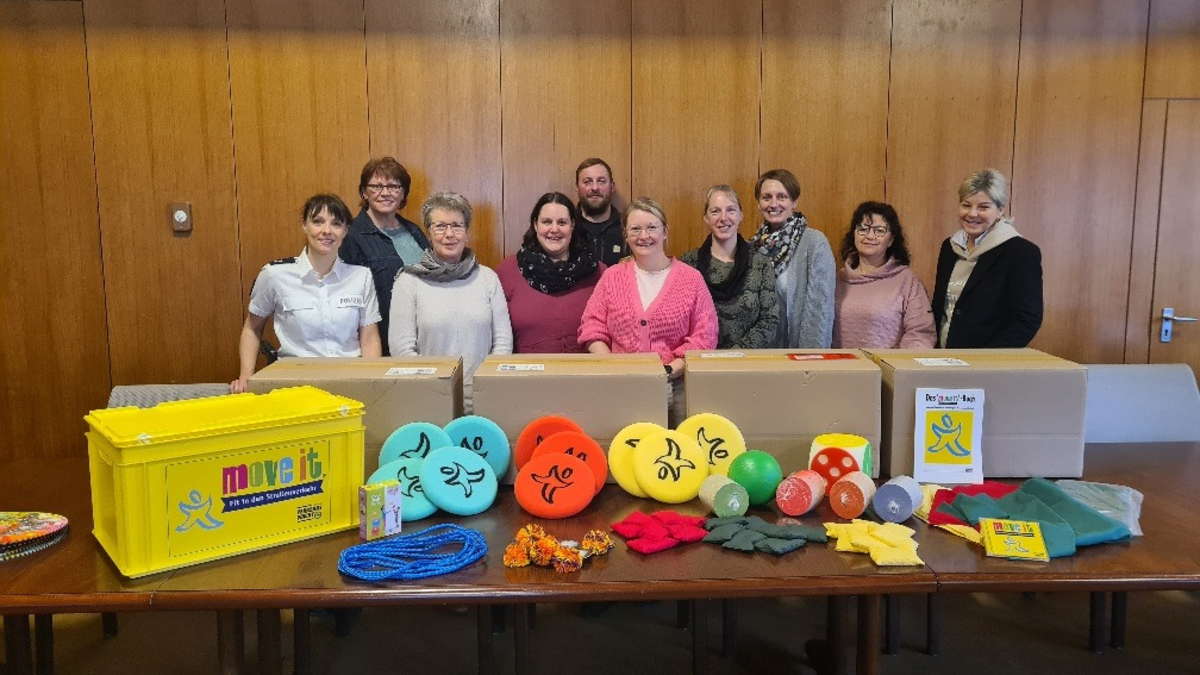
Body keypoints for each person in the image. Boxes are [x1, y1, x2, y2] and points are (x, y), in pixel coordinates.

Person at [578, 197, 718, 425]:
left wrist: (668, 370)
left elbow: (705, 336)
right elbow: (592, 327)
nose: (644, 236)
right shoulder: (612, 276)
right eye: (635, 229)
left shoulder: (691, 279)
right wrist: (614, 367)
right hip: (620, 388)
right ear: (625, 235)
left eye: (651, 227)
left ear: (665, 231)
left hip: (676, 388)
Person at [231, 194, 381, 393]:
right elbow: (252, 328)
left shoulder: (361, 277)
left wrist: (375, 385)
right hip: (295, 385)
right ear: (304, 225)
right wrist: (246, 377)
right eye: (318, 222)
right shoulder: (275, 274)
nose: (326, 231)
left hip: (350, 384)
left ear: (345, 231)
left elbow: (369, 339)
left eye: (336, 224)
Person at [389, 192, 512, 410]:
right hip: (428, 401)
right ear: (428, 233)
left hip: (484, 400)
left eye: (457, 226)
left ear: (467, 233)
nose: (449, 234)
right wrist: (436, 392)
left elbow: (502, 343)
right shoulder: (408, 282)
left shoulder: (487, 278)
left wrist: (484, 389)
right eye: (440, 226)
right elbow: (402, 350)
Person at [933, 169, 1043, 348]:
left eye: (983, 207)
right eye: (966, 205)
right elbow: (942, 308)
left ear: (1000, 211)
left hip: (987, 364)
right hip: (944, 358)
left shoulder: (1020, 252)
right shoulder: (950, 247)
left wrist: (985, 358)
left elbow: (1027, 319)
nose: (972, 214)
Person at [339, 157, 431, 354]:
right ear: (364, 192)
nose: (385, 193)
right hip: (381, 342)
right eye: (376, 186)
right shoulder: (351, 235)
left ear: (403, 192)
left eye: (393, 186)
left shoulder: (414, 231)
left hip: (422, 339)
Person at [497, 192, 605, 353]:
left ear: (573, 225)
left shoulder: (599, 273)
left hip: (587, 375)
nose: (554, 229)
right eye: (547, 222)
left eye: (562, 222)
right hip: (526, 376)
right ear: (535, 225)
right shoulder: (507, 272)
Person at [679, 185, 779, 349]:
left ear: (741, 215)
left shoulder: (761, 264)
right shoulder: (688, 263)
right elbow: (680, 319)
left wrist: (734, 355)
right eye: (715, 211)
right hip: (699, 361)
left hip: (746, 364)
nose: (723, 218)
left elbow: (769, 320)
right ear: (706, 218)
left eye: (731, 210)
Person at [750, 169, 836, 348]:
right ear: (759, 203)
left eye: (782, 197)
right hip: (761, 353)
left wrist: (809, 360)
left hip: (799, 354)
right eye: (767, 197)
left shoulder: (814, 243)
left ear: (794, 201)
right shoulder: (752, 247)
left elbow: (819, 310)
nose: (774, 204)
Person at [833, 201, 936, 349]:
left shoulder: (908, 281)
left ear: (891, 240)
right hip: (842, 369)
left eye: (879, 231)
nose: (870, 236)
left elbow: (921, 333)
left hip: (889, 369)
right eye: (863, 228)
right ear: (854, 234)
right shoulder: (837, 280)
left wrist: (901, 367)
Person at [575, 157, 627, 266]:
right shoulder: (568, 228)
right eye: (587, 182)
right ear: (577, 188)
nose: (595, 187)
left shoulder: (627, 227)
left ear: (612, 187)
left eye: (601, 181)